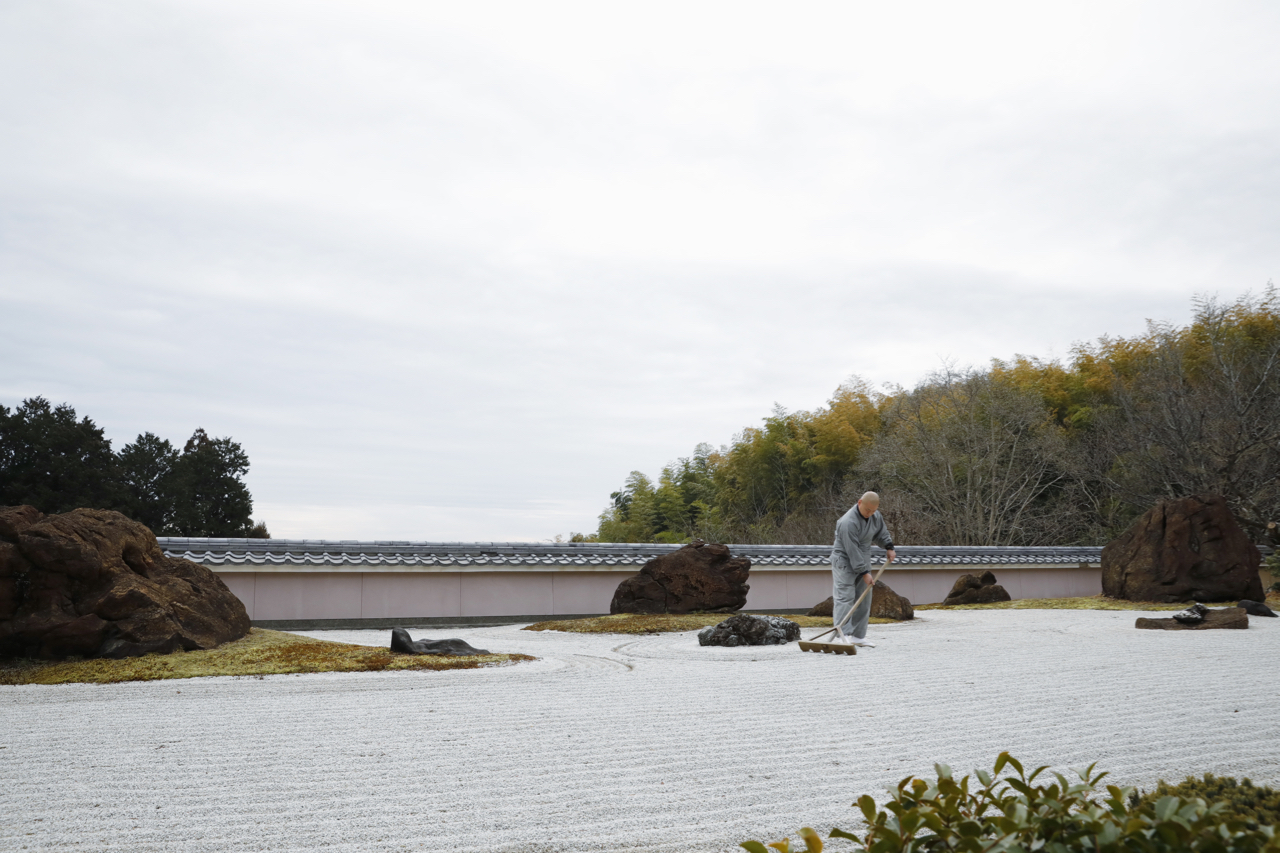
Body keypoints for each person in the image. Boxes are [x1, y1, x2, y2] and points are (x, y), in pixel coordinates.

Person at [830, 490, 896, 647]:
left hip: (863, 560)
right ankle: (843, 635)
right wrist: (864, 572)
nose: (870, 513)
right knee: (845, 598)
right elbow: (852, 550)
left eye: (873, 511)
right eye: (868, 510)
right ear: (859, 502)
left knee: (864, 598)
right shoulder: (847, 522)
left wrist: (889, 547)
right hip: (844, 560)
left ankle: (858, 636)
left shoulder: (875, 516)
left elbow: (881, 533)